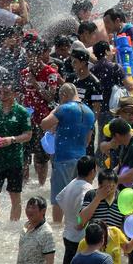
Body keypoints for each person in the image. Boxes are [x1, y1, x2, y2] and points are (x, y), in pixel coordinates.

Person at [41, 83, 96, 224]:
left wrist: (55, 110)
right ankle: (75, 226)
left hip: (63, 159)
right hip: (81, 160)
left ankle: (58, 229)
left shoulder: (64, 109)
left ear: (63, 95)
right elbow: (87, 141)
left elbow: (44, 124)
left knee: (59, 198)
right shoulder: (90, 112)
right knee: (77, 198)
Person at [0, 77, 32, 222]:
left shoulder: (22, 112)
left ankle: (13, 227)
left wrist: (12, 139)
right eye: (0, 92)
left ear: (15, 94)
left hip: (14, 161)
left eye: (6, 92)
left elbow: (28, 135)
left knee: (15, 196)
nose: (2, 95)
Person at [16, 196, 56, 264]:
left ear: (43, 211)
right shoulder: (26, 225)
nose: (29, 210)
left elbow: (50, 262)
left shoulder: (46, 233)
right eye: (28, 207)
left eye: (33, 208)